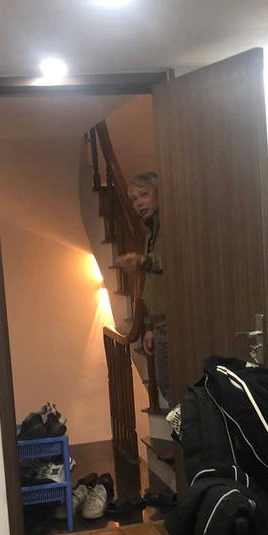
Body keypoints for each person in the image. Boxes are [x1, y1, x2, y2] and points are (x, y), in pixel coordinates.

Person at [116, 172, 170, 406]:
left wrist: (143, 261)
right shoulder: (151, 231)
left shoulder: (171, 225)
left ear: (159, 194)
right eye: (134, 199)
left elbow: (176, 262)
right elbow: (153, 283)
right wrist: (149, 326)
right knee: (169, 390)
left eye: (144, 194)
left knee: (177, 392)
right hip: (160, 325)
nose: (139, 203)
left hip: (176, 325)